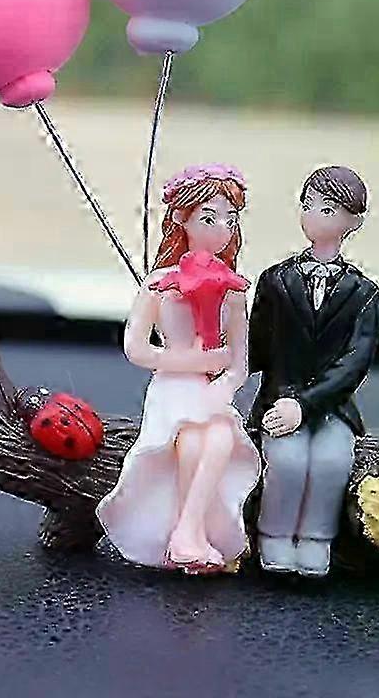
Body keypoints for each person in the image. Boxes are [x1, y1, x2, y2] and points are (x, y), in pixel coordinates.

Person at [96, 164, 261, 573]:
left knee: (220, 436)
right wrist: (196, 361)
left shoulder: (233, 289)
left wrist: (222, 387)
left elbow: (239, 363)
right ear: (182, 219)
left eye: (230, 220)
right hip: (171, 384)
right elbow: (136, 348)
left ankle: (189, 532)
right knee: (190, 440)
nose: (222, 229)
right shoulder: (159, 283)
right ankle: (187, 536)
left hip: (208, 389)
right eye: (209, 218)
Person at [249, 166, 379, 576]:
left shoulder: (364, 293)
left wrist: (305, 405)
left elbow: (354, 363)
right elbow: (255, 345)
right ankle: (274, 533)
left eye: (326, 210)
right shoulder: (275, 281)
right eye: (308, 206)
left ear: (353, 222)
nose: (312, 216)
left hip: (332, 406)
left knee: (331, 461)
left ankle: (316, 537)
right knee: (286, 460)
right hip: (279, 398)